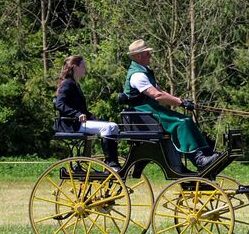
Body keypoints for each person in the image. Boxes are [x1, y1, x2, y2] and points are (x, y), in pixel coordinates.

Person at [123, 39, 220, 171]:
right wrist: (180, 102)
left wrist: (181, 100)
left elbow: (160, 92)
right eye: (147, 54)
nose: (150, 56)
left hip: (151, 111)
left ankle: (205, 155)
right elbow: (156, 95)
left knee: (186, 120)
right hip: (145, 113)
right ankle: (200, 160)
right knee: (181, 123)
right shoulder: (137, 75)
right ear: (138, 56)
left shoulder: (144, 72)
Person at [54, 55, 121, 171]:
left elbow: (81, 109)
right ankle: (112, 165)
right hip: (71, 124)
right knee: (108, 128)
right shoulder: (68, 84)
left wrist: (91, 116)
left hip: (77, 123)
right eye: (83, 66)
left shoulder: (75, 84)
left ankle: (112, 162)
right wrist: (77, 114)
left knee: (113, 126)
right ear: (75, 67)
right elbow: (59, 104)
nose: (86, 69)